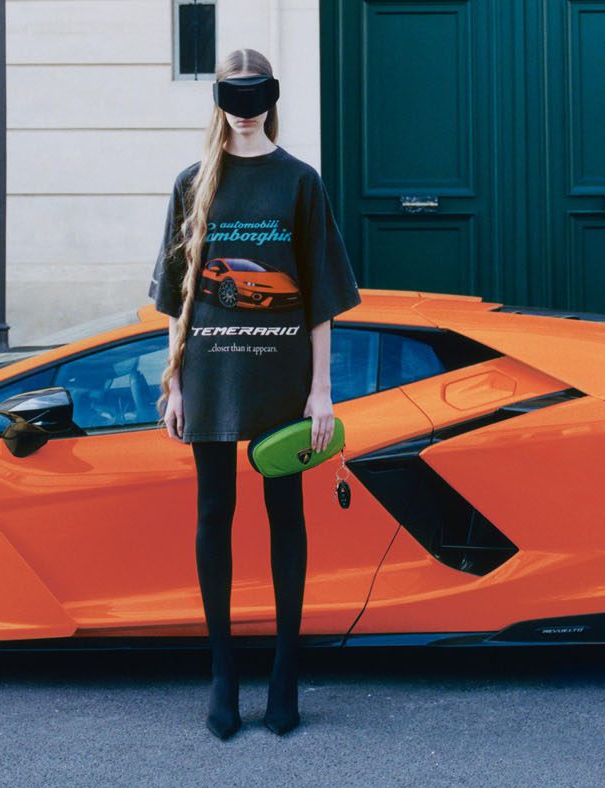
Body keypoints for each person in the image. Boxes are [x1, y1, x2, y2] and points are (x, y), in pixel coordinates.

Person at [146, 48, 363, 740]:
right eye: (232, 99)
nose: (244, 113)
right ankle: (222, 678)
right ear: (219, 102)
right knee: (214, 514)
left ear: (273, 98)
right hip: (210, 371)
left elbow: (321, 298)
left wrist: (322, 392)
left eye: (255, 97)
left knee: (284, 518)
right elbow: (179, 295)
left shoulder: (299, 182)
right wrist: (173, 381)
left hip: (283, 374)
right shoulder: (193, 183)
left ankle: (284, 676)